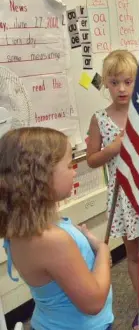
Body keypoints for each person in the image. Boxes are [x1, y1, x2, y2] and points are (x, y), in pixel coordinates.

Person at [0, 127, 113, 330]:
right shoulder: (51, 239)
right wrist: (103, 251)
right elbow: (94, 302)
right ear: (42, 176)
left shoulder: (21, 226)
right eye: (70, 165)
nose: (75, 170)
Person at [86, 50, 139, 329]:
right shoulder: (100, 119)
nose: (121, 88)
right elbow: (92, 159)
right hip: (124, 195)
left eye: (128, 82)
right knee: (135, 254)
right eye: (115, 82)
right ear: (106, 82)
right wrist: (113, 148)